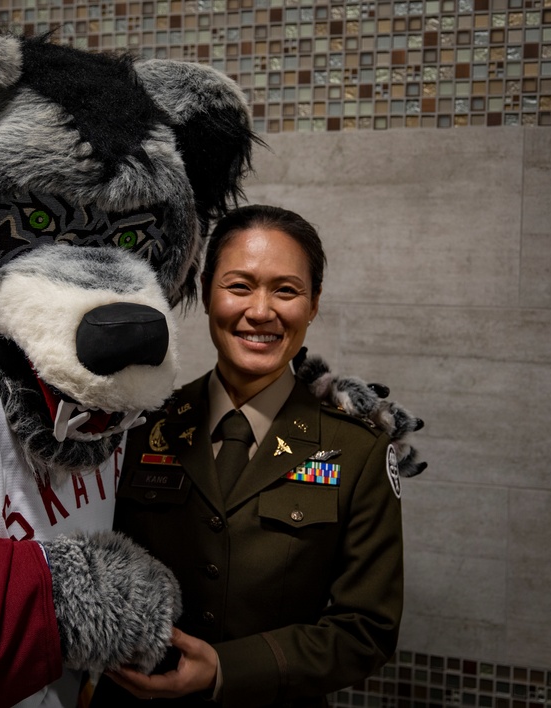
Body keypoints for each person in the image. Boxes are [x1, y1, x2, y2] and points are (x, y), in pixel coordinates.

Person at [91, 205, 405, 707]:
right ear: (206, 292)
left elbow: (366, 630)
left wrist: (226, 669)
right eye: (239, 286)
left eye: (286, 290)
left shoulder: (357, 452)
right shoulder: (137, 426)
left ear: (314, 303)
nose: (261, 312)